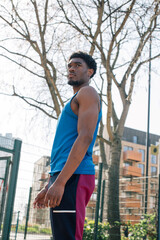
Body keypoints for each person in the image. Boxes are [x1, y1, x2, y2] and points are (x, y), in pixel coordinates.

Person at [33, 51, 102, 240]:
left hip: (74, 176)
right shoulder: (73, 100)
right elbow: (64, 147)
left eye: (78, 65)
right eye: (70, 65)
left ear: (90, 72)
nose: (72, 68)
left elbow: (85, 137)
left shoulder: (88, 92)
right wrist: (51, 184)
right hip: (65, 175)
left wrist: (61, 182)